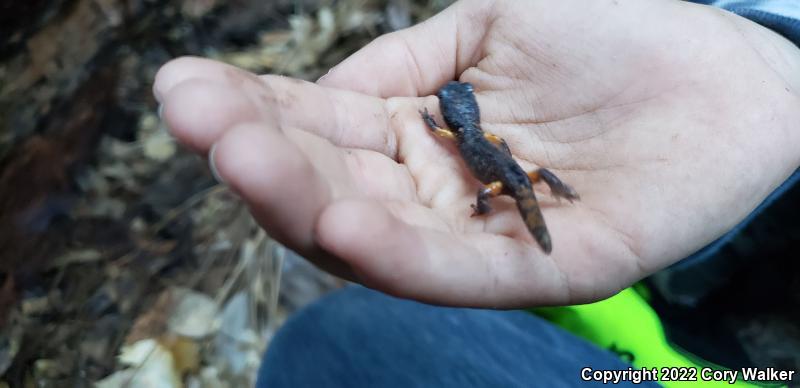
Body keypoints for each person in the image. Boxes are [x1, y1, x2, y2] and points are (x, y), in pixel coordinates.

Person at [153, 0, 800, 385]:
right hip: (508, 173)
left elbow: (440, 128)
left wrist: (483, 194)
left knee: (328, 344)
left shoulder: (456, 134)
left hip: (502, 179)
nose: (447, 103)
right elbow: (450, 128)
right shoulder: (468, 131)